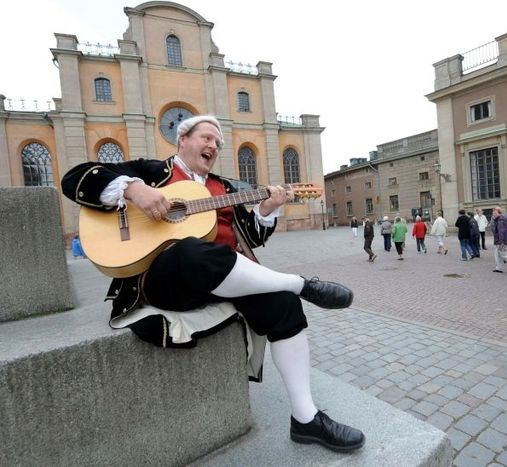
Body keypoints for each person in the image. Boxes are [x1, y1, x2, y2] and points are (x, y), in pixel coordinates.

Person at [60, 115, 365, 452]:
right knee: (189, 249)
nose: (213, 147)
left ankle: (306, 419)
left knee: (282, 303)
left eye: (218, 144)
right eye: (207, 138)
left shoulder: (225, 188)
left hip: (222, 274)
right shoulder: (152, 172)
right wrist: (135, 190)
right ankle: (301, 284)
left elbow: (249, 237)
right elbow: (75, 178)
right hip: (164, 278)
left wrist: (267, 208)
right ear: (182, 141)